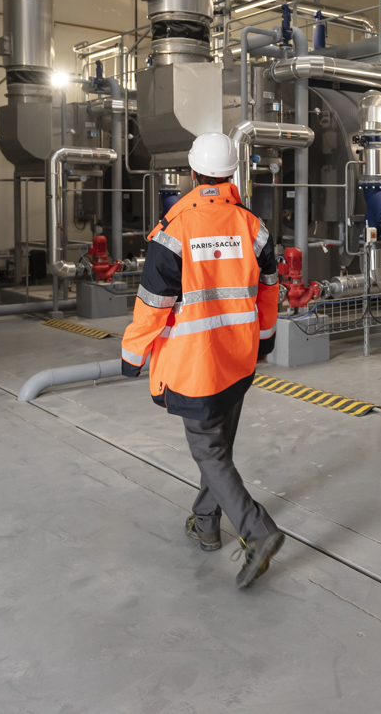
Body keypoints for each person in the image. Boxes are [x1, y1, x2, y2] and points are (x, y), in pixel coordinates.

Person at [120, 132, 284, 588]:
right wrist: (264, 343)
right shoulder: (253, 227)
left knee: (208, 451)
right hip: (238, 358)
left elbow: (152, 305)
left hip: (196, 366)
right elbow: (269, 294)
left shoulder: (174, 231)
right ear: (231, 174)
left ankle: (258, 531)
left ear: (192, 173)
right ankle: (207, 524)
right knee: (219, 447)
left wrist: (132, 354)